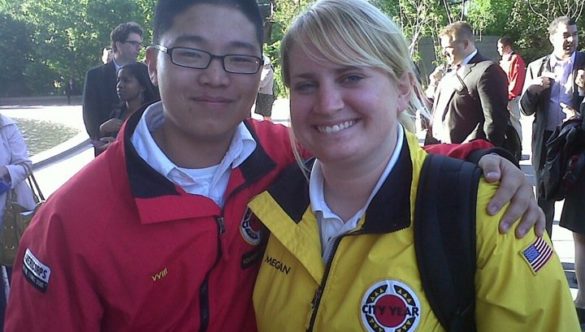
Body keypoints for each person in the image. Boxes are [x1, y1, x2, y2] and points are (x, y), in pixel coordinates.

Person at [5, 0, 545, 331]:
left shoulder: (280, 156)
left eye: (239, 59)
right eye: (191, 54)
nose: (218, 77)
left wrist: (483, 161)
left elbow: (376, 152)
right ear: (152, 62)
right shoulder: (70, 224)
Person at [249, 1, 578, 331]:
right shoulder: (276, 201)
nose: (327, 103)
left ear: (402, 89)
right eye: (306, 84)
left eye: (351, 76)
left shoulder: (491, 214)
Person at [520, 16, 585, 236]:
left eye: (575, 34)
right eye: (566, 35)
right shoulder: (536, 67)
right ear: (552, 38)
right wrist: (532, 91)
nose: (571, 40)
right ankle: (544, 253)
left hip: (578, 141)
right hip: (548, 142)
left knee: (580, 204)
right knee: (544, 200)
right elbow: (525, 109)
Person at [426, 21, 509, 148]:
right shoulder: (448, 72)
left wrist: (482, 155)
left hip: (467, 155)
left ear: (465, 44)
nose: (443, 53)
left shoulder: (487, 70)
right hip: (439, 151)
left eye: (447, 48)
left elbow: (494, 122)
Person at [82, 22, 144, 156]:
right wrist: (100, 133)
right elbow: (89, 114)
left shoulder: (146, 72)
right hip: (106, 150)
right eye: (133, 43)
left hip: (140, 148)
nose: (139, 48)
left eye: (140, 44)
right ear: (118, 44)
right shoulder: (95, 75)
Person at [0, 114, 36, 331]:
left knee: (17, 274)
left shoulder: (6, 126)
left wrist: (5, 172)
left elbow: (25, 165)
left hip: (11, 214)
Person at [96, 63, 159, 153]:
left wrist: (119, 146)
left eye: (126, 81)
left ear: (142, 86)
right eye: (118, 80)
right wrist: (102, 130)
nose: (119, 85)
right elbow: (100, 154)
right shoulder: (116, 113)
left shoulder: (152, 116)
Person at [498, 36, 526, 142]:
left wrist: (509, 96)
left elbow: (517, 80)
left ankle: (518, 147)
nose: (498, 50)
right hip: (505, 96)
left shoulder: (516, 59)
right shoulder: (504, 60)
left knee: (514, 123)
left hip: (512, 98)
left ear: (507, 47)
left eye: (500, 47)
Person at [254, 55, 276, 120]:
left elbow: (262, 83)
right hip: (262, 94)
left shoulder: (268, 70)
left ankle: (269, 129)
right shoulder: (265, 69)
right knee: (264, 115)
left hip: (266, 95)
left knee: (267, 116)